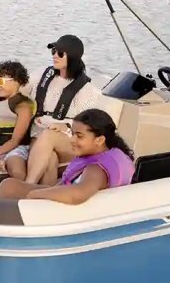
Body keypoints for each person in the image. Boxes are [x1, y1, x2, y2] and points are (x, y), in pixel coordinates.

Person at [0, 109, 134, 205]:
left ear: (100, 140)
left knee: (8, 188)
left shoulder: (96, 170)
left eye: (79, 136)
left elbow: (78, 195)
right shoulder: (109, 154)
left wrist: (36, 194)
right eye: (72, 134)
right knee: (9, 185)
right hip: (66, 205)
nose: (72, 140)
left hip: (66, 213)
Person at [16, 34, 105, 185]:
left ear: (73, 57)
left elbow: (90, 124)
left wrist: (66, 126)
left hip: (71, 140)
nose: (55, 56)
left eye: (60, 53)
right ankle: (43, 195)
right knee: (50, 159)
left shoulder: (87, 90)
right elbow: (15, 90)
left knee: (49, 135)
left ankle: (27, 186)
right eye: (54, 51)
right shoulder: (41, 75)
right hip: (38, 136)